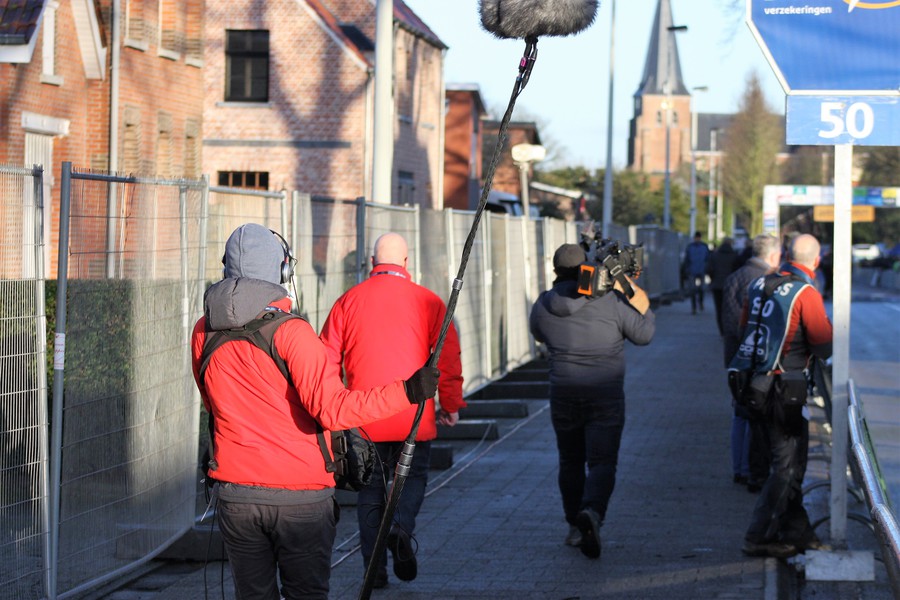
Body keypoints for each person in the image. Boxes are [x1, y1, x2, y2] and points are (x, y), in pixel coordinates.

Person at [190, 223, 439, 600]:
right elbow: (333, 410)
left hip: (235, 495)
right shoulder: (293, 333)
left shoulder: (202, 333)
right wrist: (407, 391)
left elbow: (213, 403)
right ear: (283, 271)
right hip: (300, 498)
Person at [320, 232, 465, 589]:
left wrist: (329, 413)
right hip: (413, 417)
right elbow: (447, 357)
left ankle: (375, 572)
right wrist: (450, 403)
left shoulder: (347, 301)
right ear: (406, 262)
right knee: (412, 480)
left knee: (370, 494)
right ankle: (401, 528)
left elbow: (325, 360)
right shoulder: (429, 302)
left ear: (372, 262)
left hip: (362, 419)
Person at [529, 243, 655, 560]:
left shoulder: (545, 304)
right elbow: (644, 335)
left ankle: (574, 525)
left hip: (564, 394)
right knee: (602, 462)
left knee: (570, 461)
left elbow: (539, 334)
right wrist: (640, 300)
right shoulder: (610, 302)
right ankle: (592, 512)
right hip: (605, 394)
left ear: (555, 271)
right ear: (586, 267)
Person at [732, 234, 833, 559]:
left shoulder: (759, 285)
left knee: (792, 462)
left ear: (787, 255)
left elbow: (744, 326)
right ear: (815, 262)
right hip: (785, 392)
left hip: (752, 387)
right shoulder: (806, 292)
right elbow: (823, 342)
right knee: (787, 467)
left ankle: (798, 531)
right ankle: (758, 536)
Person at [721, 234, 782, 492]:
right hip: (757, 359)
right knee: (755, 415)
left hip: (734, 356)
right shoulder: (768, 283)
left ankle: (738, 469)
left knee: (739, 413)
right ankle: (750, 469)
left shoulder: (734, 277)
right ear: (772, 256)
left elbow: (730, 323)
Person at [706, 237, 738, 335]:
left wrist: (713, 279)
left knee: (719, 308)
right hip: (731, 286)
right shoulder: (734, 256)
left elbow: (709, 269)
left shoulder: (715, 255)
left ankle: (721, 330)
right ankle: (729, 329)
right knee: (729, 308)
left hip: (717, 285)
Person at [682, 231, 710, 314]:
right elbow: (687, 260)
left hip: (701, 270)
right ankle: (694, 307)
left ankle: (700, 302)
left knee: (701, 289)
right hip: (693, 271)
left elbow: (708, 259)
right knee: (692, 290)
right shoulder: (691, 247)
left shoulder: (703, 247)